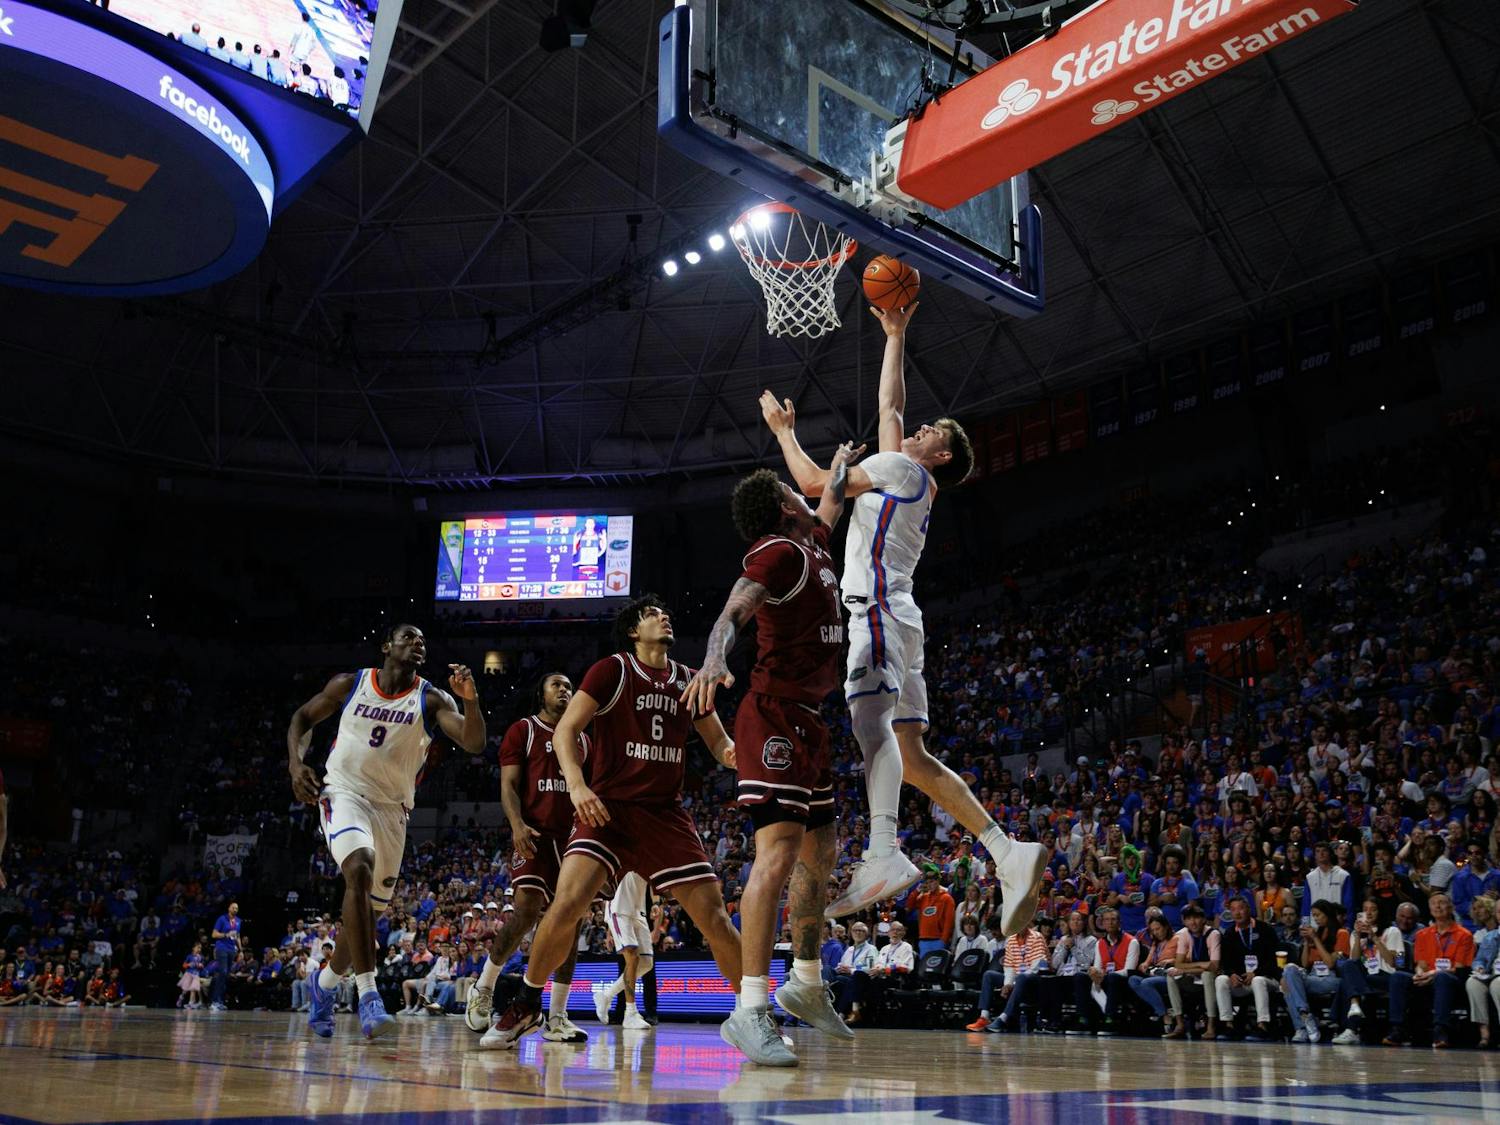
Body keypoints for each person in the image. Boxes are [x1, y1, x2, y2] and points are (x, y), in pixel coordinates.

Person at [759, 303, 1045, 934]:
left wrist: (783, 432)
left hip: (879, 611)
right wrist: (895, 334)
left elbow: (813, 485)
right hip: (902, 617)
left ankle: (884, 852)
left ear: (943, 455)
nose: (917, 428)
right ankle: (1007, 850)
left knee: (868, 724)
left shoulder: (905, 469)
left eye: (933, 430)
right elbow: (889, 410)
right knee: (910, 757)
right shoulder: (906, 477)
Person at [487, 597, 751, 1059]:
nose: (664, 616)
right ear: (633, 630)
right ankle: (527, 1002)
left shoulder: (689, 680)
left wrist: (745, 755)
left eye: (664, 612)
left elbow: (719, 745)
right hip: (606, 811)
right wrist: (576, 786)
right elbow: (567, 730)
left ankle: (752, 1015)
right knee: (566, 903)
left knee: (714, 917)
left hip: (663, 815)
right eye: (652, 614)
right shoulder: (611, 671)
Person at [680, 444, 864, 1060]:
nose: (800, 490)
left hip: (811, 719)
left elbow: (834, 498)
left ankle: (806, 983)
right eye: (792, 488)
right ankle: (750, 1007)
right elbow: (734, 611)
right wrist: (712, 658)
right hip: (772, 714)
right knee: (779, 851)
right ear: (781, 505)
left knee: (822, 850)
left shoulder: (811, 538)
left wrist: (833, 460)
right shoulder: (777, 551)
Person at [287, 623, 486, 1040]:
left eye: (422, 640)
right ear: (386, 646)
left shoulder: (431, 698)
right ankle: (369, 995)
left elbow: (473, 743)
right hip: (343, 792)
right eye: (409, 637)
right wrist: (295, 764)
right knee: (358, 869)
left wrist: (471, 701)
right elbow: (303, 718)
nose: (418, 643)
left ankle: (322, 987)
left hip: (393, 810)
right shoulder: (351, 683)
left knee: (365, 916)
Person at [467, 672, 590, 1046]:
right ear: (541, 693)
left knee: (570, 925)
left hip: (572, 838)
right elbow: (508, 785)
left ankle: (556, 1017)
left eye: (569, 686)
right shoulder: (524, 730)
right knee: (525, 911)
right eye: (557, 684)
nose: (565, 690)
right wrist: (517, 824)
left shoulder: (583, 738)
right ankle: (485, 986)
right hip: (534, 833)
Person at [1384, 892, 1474, 1048]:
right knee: (1398, 976)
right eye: (1433, 903)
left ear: (1451, 907)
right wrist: (1420, 974)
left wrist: (1434, 973)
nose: (1437, 906)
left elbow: (1459, 969)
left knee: (1442, 978)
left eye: (1442, 902)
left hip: (1452, 979)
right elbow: (1421, 963)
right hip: (1427, 977)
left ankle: (1440, 1031)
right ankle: (1397, 1029)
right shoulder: (1423, 934)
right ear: (1429, 908)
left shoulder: (1464, 935)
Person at [1279, 900, 1349, 1043]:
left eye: (1318, 915)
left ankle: (1301, 1027)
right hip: (1312, 976)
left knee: (1289, 985)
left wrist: (1315, 939)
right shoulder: (1316, 933)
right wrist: (1306, 942)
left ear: (1327, 914)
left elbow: (1330, 963)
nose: (1316, 919)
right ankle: (1305, 1018)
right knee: (1289, 970)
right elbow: (1305, 964)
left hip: (1332, 979)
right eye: (1314, 916)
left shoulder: (1341, 933)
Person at [594, 872, 656, 1028]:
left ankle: (606, 995)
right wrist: (609, 931)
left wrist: (656, 902)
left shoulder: (650, 854)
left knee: (646, 963)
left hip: (638, 911)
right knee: (632, 958)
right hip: (618, 908)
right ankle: (630, 1013)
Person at [1215, 897, 1277, 1040]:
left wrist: (1255, 973)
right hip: (1242, 982)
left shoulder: (1265, 929)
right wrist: (1231, 974)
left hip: (1266, 979)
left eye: (1241, 908)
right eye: (1233, 909)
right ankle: (1228, 1024)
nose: (1237, 913)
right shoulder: (1230, 933)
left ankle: (1263, 1025)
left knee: (1258, 981)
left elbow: (1274, 960)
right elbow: (1225, 962)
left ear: (1249, 909)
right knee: (1221, 980)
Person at [208, 902, 242, 1011]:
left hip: (232, 950)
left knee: (226, 975)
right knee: (222, 972)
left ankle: (220, 1001)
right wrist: (225, 935)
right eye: (233, 908)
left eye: (237, 908)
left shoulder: (238, 921)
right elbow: (214, 934)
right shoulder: (222, 919)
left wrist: (241, 950)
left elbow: (237, 936)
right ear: (229, 908)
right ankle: (214, 1001)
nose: (235, 910)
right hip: (222, 947)